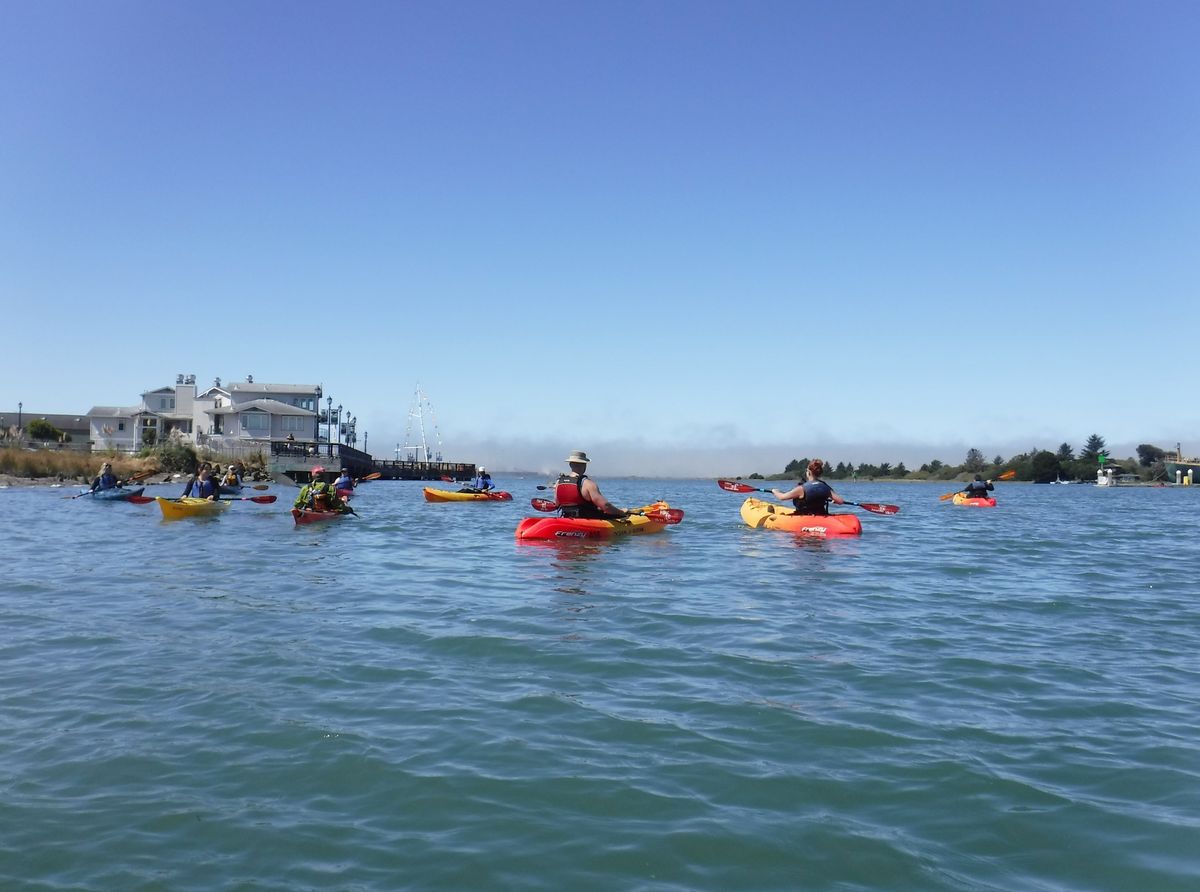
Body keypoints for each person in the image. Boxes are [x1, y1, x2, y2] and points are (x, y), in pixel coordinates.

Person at [554, 451, 628, 519]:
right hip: (588, 520)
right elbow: (606, 506)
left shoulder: (558, 482)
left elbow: (557, 504)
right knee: (621, 515)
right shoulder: (588, 484)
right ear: (585, 465)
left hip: (566, 519)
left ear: (570, 465)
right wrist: (621, 512)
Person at [771, 458, 845, 516]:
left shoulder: (801, 489)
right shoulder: (825, 487)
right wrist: (834, 500)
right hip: (821, 515)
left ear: (809, 472)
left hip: (804, 516)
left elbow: (782, 497)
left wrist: (775, 491)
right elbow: (840, 501)